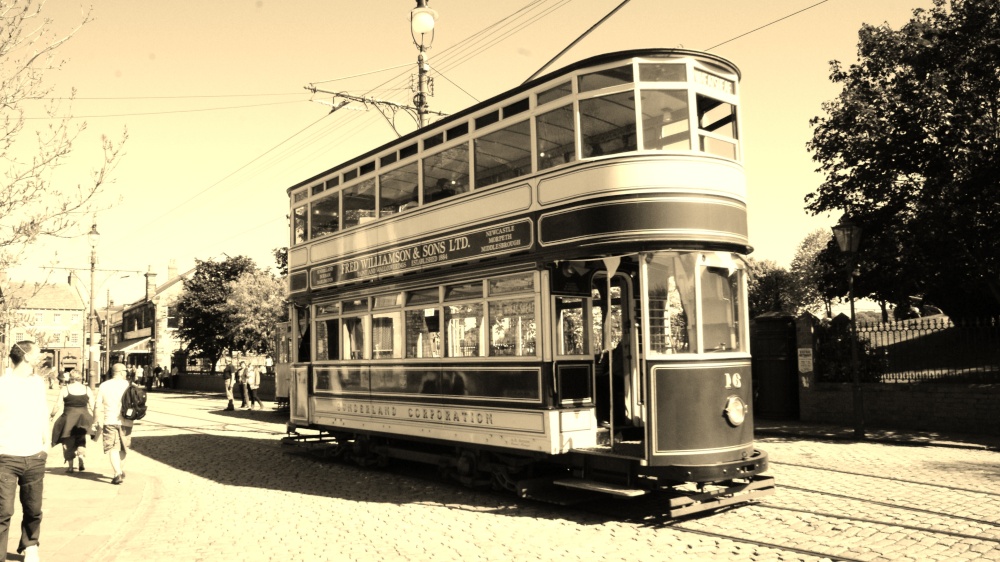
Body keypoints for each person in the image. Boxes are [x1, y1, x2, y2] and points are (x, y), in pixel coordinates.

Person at [0, 341, 49, 562]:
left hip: (34, 454)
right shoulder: (2, 384)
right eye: (37, 353)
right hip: (6, 455)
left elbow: (42, 413)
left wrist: (45, 446)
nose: (41, 356)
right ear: (27, 357)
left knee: (33, 507)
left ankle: (30, 545)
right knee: (3, 511)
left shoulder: (38, 383)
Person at [91, 363, 134, 485]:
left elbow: (97, 405)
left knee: (112, 448)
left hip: (109, 420)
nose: (127, 372)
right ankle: (120, 469)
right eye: (125, 370)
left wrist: (95, 420)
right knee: (124, 448)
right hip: (127, 420)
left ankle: (117, 473)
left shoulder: (104, 385)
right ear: (121, 372)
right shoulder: (128, 385)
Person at [49, 370, 94, 473]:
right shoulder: (87, 389)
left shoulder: (65, 389)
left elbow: (58, 405)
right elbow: (92, 406)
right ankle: (81, 458)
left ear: (70, 378)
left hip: (68, 418)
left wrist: (52, 415)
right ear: (81, 378)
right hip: (83, 417)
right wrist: (95, 418)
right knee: (81, 438)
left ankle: (70, 466)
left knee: (67, 441)